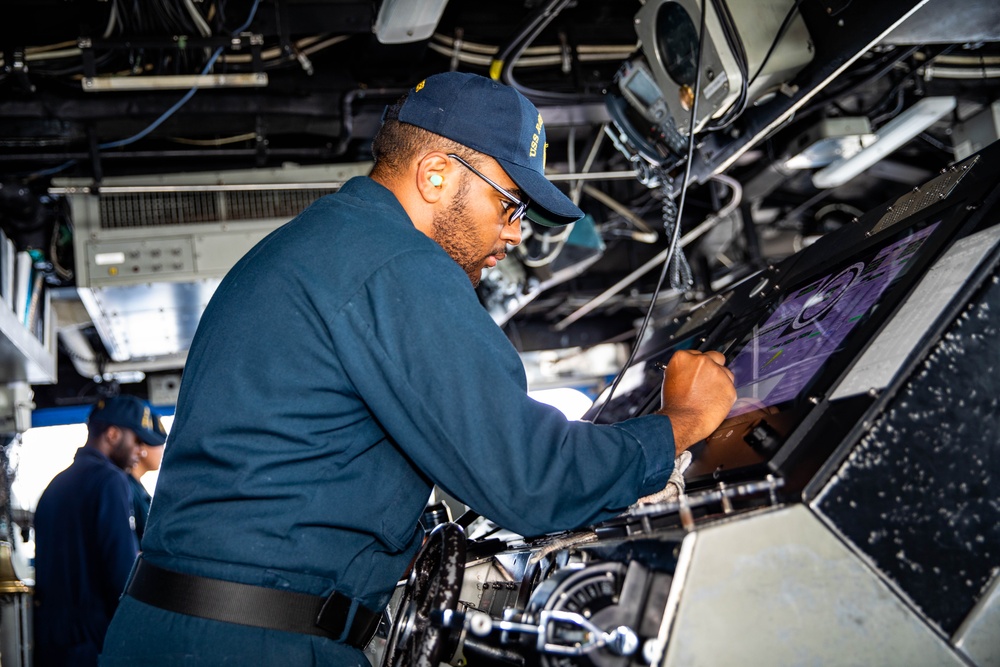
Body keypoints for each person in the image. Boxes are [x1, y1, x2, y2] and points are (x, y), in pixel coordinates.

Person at [101, 72, 736, 666]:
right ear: (436, 174)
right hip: (257, 645)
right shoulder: (397, 264)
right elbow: (532, 480)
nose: (515, 236)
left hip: (184, 629)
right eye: (511, 205)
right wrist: (679, 421)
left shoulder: (323, 246)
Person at [33, 395, 167, 667]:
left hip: (52, 643)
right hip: (92, 644)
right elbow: (121, 574)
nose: (139, 451)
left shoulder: (55, 485)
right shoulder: (110, 481)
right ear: (114, 434)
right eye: (136, 441)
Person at [125, 430, 166, 542]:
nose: (163, 451)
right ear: (143, 447)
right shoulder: (128, 487)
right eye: (159, 444)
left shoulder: (137, 487)